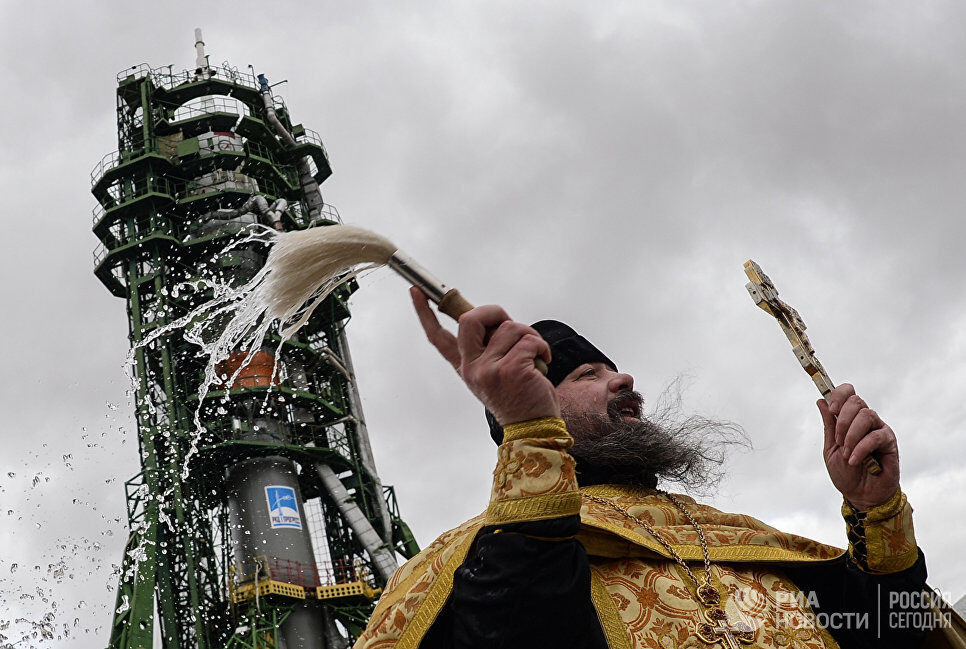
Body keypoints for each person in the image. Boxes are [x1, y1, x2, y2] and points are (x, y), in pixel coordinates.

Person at [354, 289, 939, 649]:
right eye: (586, 376)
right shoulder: (488, 556)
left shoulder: (729, 535)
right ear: (526, 409)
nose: (623, 380)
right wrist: (531, 438)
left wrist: (876, 510)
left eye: (614, 371)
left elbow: (894, 632)